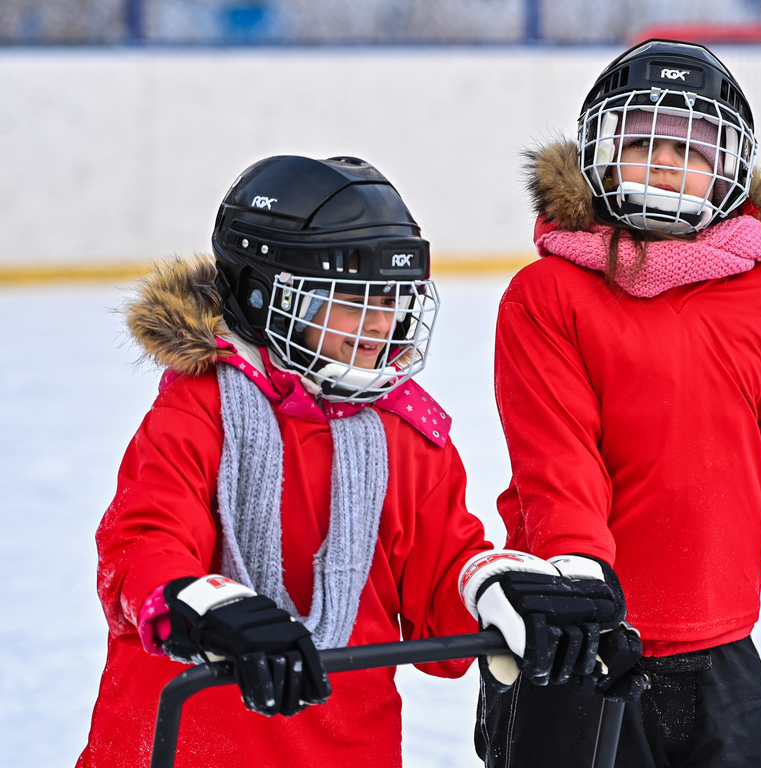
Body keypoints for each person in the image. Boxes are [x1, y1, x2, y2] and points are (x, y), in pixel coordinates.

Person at [76, 155, 625, 768]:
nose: (380, 322)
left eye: (392, 297)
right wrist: (206, 608)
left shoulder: (406, 433)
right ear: (262, 294)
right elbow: (140, 546)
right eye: (349, 298)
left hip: (346, 748)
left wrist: (498, 589)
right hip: (183, 748)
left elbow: (441, 581)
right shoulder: (199, 410)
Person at [479, 39, 761, 768]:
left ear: (731, 168)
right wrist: (580, 581)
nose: (667, 161)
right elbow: (560, 468)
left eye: (693, 146)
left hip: (719, 653)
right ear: (599, 158)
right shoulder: (547, 296)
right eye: (643, 142)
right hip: (578, 639)